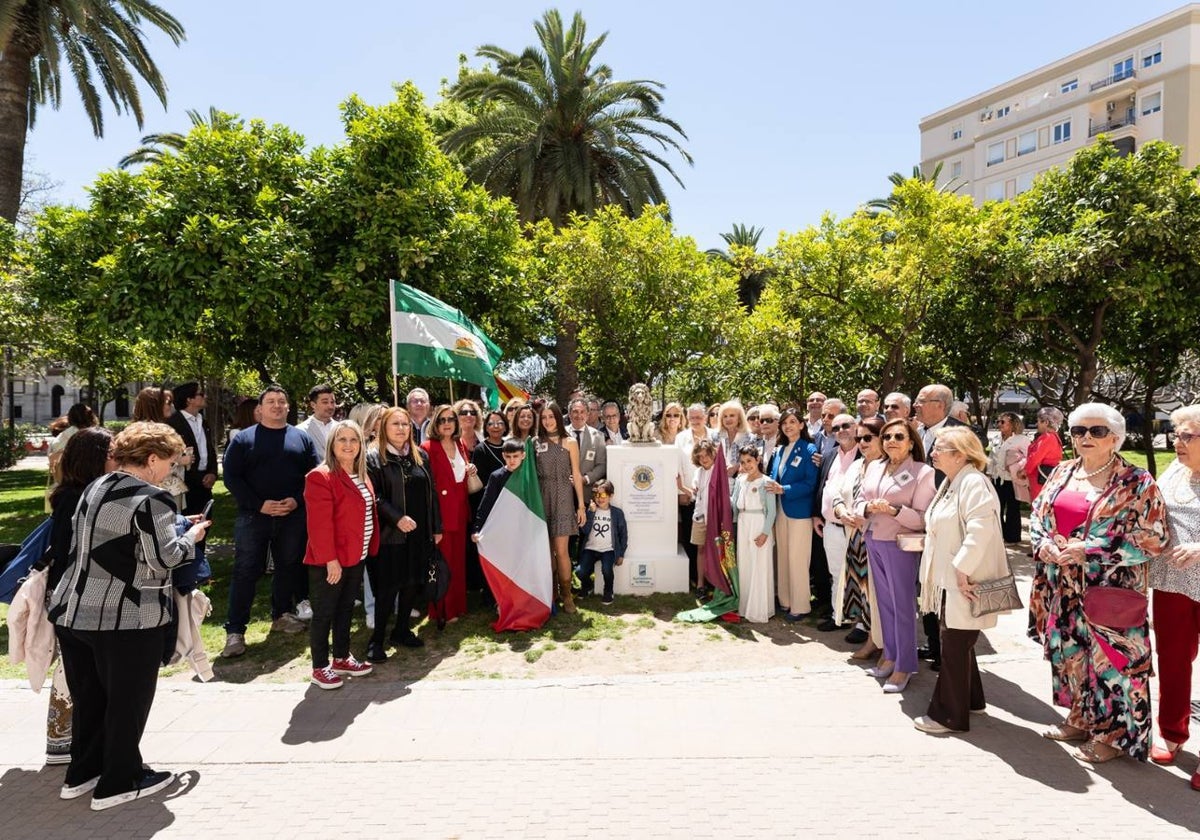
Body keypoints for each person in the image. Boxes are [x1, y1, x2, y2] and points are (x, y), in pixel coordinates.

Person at [48, 422, 210, 810]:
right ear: (152, 458)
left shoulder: (96, 487)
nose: (170, 471)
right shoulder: (153, 498)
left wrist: (175, 529)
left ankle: (82, 774)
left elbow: (116, 538)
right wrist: (191, 537)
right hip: (128, 617)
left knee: (90, 699)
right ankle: (120, 780)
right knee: (127, 701)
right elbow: (164, 558)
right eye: (169, 463)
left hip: (74, 611)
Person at [1030, 403, 1168, 763]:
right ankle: (1079, 717)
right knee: (1071, 655)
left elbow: (1153, 538)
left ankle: (1113, 736)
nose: (1086, 438)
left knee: (1113, 663)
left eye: (1097, 431)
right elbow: (1038, 516)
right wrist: (1045, 544)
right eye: (1078, 431)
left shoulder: (1137, 482)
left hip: (1111, 590)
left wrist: (1090, 550)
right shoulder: (1062, 472)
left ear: (1115, 438)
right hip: (1063, 585)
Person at [913, 427, 1012, 734]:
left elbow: (980, 529)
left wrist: (962, 568)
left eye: (939, 448)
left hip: (963, 579)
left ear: (959, 453)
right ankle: (971, 700)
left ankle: (948, 716)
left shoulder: (973, 482)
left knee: (955, 644)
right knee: (960, 640)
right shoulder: (955, 480)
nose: (933, 452)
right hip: (950, 578)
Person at [220, 385, 321, 658]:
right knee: (245, 571)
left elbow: (314, 476)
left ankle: (281, 615)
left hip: (291, 516)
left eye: (281, 401)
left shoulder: (301, 439)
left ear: (288, 407)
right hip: (254, 516)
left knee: (288, 567)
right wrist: (259, 504)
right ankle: (235, 631)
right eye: (271, 402)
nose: (276, 406)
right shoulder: (243, 440)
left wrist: (296, 500)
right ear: (260, 409)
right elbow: (231, 478)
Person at [43, 427, 116, 766]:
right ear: (96, 458)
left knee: (79, 679)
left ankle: (74, 749)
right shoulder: (81, 499)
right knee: (83, 681)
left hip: (69, 599)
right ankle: (76, 752)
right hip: (77, 601)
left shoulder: (70, 495)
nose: (117, 458)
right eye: (112, 452)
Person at [855, 417, 937, 693]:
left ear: (911, 442)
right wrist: (867, 508)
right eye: (887, 436)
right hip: (874, 539)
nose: (891, 441)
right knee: (885, 605)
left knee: (903, 606)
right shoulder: (875, 466)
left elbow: (924, 519)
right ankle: (890, 655)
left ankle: (905, 665)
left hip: (900, 544)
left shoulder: (922, 472)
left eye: (898, 437)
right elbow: (859, 501)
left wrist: (893, 511)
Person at [303, 420, 378, 689]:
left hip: (355, 555)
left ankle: (341, 657)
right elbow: (319, 525)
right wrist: (330, 560)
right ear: (331, 444)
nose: (348, 445)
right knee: (324, 612)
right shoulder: (320, 476)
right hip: (330, 560)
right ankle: (319, 666)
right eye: (341, 439)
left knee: (345, 609)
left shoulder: (361, 473)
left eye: (354, 440)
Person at [1149, 405, 1200, 788]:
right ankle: (1171, 729)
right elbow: (1156, 514)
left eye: (1187, 436)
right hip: (1171, 582)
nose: (1176, 443)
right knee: (1172, 658)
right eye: (1176, 434)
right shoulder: (1174, 471)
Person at [366, 407, 441, 661]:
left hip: (419, 535)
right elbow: (373, 496)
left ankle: (401, 631)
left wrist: (436, 528)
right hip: (390, 536)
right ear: (383, 428)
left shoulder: (420, 456)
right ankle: (376, 641)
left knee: (411, 583)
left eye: (405, 424)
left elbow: (431, 493)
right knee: (388, 589)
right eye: (395, 424)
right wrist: (397, 518)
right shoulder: (374, 458)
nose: (401, 429)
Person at [831, 418, 886, 656]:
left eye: (867, 438)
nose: (862, 443)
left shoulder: (889, 467)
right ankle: (870, 636)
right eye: (859, 438)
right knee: (862, 591)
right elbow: (837, 497)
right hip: (853, 538)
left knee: (878, 594)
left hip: (877, 540)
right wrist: (842, 512)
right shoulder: (855, 466)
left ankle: (879, 642)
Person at [421, 404, 475, 625]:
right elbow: (426, 487)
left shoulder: (460, 443)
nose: (446, 424)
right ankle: (442, 609)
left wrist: (470, 468)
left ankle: (458, 606)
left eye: (450, 419)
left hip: (460, 511)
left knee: (458, 561)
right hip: (440, 514)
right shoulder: (427, 447)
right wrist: (434, 523)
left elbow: (460, 474)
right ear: (435, 423)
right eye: (442, 420)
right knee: (442, 563)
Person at [766, 407, 818, 622]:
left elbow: (810, 483)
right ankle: (785, 601)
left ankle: (800, 605)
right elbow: (771, 476)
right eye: (785, 423)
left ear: (801, 425)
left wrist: (784, 490)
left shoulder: (809, 449)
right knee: (783, 557)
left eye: (793, 422)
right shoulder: (779, 450)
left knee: (798, 558)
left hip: (799, 512)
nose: (788, 426)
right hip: (779, 510)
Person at [536, 402, 587, 613]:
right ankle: (551, 593)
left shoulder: (570, 442)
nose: (548, 421)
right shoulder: (535, 442)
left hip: (563, 497)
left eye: (551, 416)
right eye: (544, 417)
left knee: (561, 550)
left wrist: (581, 506)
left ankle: (567, 595)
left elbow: (576, 473)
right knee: (546, 552)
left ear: (558, 418)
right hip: (541, 497)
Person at [167, 383, 217, 576]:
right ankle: (189, 571)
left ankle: (200, 569)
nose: (204, 397)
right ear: (189, 399)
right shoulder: (174, 423)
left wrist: (212, 472)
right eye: (200, 394)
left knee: (205, 524)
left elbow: (209, 448)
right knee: (188, 526)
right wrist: (198, 478)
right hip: (186, 484)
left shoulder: (202, 420)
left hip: (206, 481)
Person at [816, 412, 860, 631]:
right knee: (836, 573)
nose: (841, 430)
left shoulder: (865, 454)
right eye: (836, 428)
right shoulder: (829, 455)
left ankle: (862, 625)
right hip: (831, 526)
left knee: (859, 575)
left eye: (846, 425)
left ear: (856, 427)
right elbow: (822, 486)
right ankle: (838, 615)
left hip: (856, 527)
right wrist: (817, 514)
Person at [733, 445, 776, 623]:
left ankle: (759, 608)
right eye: (743, 462)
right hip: (743, 523)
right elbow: (734, 503)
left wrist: (765, 533)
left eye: (749, 461)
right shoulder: (740, 480)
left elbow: (772, 511)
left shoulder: (766, 482)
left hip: (759, 523)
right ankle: (744, 606)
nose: (746, 465)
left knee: (759, 564)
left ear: (757, 460)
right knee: (745, 564)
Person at [134, 387, 189, 509]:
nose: (171, 406)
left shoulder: (137, 430)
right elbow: (149, 463)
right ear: (155, 405)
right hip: (158, 493)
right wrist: (179, 461)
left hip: (167, 490)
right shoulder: (151, 433)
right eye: (168, 402)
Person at [579, 479, 628, 604]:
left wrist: (621, 553)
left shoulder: (617, 513)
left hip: (608, 549)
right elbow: (584, 530)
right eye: (597, 495)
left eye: (603, 495)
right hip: (591, 548)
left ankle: (608, 591)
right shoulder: (590, 511)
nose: (599, 499)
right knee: (580, 571)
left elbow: (623, 534)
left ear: (610, 496)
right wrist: (591, 513)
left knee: (607, 570)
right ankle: (587, 586)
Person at [46, 403, 98, 513]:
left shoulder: (60, 438)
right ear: (90, 417)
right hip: (89, 489)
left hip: (62, 490)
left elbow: (51, 459)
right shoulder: (93, 437)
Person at [987, 412, 1030, 543]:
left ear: (1012, 424)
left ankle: (1012, 536)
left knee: (1013, 508)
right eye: (998, 421)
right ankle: (999, 534)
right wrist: (988, 475)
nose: (999, 424)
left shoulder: (1022, 439)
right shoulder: (995, 438)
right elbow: (991, 458)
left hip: (1012, 479)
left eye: (1002, 422)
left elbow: (1030, 457)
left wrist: (1022, 468)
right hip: (997, 478)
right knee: (996, 507)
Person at [687, 438, 719, 592]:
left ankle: (717, 583)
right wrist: (682, 487)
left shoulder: (720, 471)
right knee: (701, 549)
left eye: (706, 455)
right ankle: (701, 584)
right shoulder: (698, 472)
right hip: (699, 517)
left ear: (713, 454)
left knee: (716, 551)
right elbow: (695, 495)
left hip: (715, 518)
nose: (704, 459)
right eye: (700, 456)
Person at [1026, 406, 1065, 499]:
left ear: (1046, 422)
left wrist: (1024, 471)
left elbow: (1035, 457)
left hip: (1039, 479)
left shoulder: (1048, 437)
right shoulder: (1054, 436)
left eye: (1039, 421)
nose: (1037, 424)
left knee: (1038, 506)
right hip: (1045, 477)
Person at [298, 384, 337, 464]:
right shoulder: (301, 431)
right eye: (325, 402)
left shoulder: (341, 428)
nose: (330, 406)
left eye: (332, 402)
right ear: (313, 405)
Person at [716, 401, 752, 484]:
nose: (728, 419)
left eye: (732, 415)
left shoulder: (750, 438)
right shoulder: (715, 436)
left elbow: (753, 461)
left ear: (739, 418)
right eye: (725, 416)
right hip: (719, 483)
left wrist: (737, 467)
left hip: (743, 484)